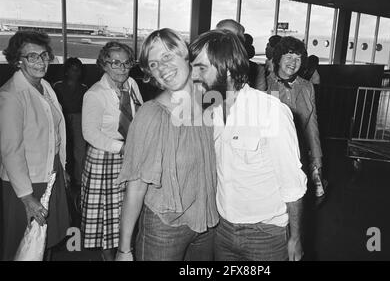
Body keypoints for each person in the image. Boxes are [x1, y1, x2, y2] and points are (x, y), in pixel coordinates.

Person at [190, 29, 308, 261]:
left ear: (229, 69)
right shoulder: (209, 111)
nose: (194, 75)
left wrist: (295, 238)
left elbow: (293, 185)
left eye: (202, 68)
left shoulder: (270, 112)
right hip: (223, 229)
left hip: (264, 235)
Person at [115, 28, 218, 261]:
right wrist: (124, 249)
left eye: (167, 56)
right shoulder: (151, 115)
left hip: (208, 224)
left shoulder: (210, 105)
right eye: (153, 64)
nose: (161, 68)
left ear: (185, 55)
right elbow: (136, 187)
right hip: (164, 229)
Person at [0, 31, 70, 260]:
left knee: (44, 241)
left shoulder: (45, 86)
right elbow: (11, 150)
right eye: (32, 56)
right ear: (17, 60)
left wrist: (62, 167)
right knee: (22, 245)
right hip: (27, 183)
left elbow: (54, 133)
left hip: (50, 175)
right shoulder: (11, 95)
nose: (41, 62)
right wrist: (26, 197)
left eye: (44, 55)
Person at [81, 41, 143, 261]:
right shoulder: (95, 94)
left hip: (129, 153)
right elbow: (89, 133)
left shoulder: (132, 84)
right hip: (104, 156)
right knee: (107, 223)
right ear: (103, 65)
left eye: (127, 63)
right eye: (115, 63)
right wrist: (122, 147)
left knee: (126, 213)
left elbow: (139, 117)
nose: (122, 68)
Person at [267, 36, 325, 199]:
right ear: (278, 59)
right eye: (289, 57)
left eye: (298, 58)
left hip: (299, 155)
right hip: (271, 157)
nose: (293, 62)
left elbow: (312, 125)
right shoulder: (264, 85)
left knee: (296, 199)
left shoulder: (307, 87)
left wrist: (317, 157)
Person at [53, 57, 88, 213]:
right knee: (63, 149)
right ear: (67, 71)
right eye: (73, 69)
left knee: (80, 150)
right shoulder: (57, 87)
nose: (76, 72)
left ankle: (80, 180)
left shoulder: (83, 88)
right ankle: (63, 178)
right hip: (63, 118)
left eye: (78, 69)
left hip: (79, 118)